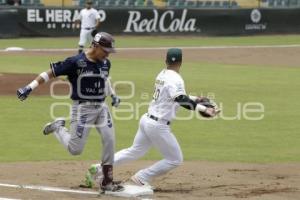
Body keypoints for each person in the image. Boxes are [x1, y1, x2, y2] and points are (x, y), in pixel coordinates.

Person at [84, 48, 220, 188]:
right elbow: (179, 98)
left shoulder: (163, 74)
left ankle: (99, 168)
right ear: (181, 62)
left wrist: (196, 98)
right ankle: (142, 177)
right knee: (175, 159)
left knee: (134, 151)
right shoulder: (177, 78)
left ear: (166, 61)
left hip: (147, 120)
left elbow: (174, 95)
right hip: (158, 126)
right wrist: (204, 109)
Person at [17, 32, 123, 193]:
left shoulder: (105, 63)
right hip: (83, 109)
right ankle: (58, 127)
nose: (108, 54)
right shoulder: (75, 62)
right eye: (106, 50)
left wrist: (113, 94)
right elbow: (50, 73)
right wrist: (29, 87)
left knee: (110, 140)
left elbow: (105, 79)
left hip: (101, 108)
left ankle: (107, 182)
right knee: (75, 149)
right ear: (95, 46)